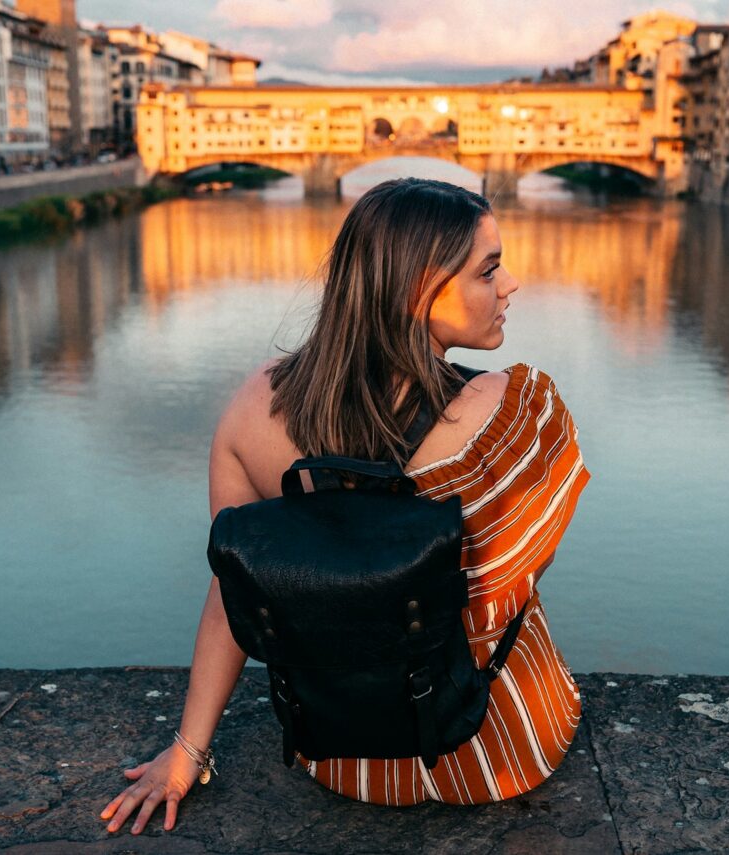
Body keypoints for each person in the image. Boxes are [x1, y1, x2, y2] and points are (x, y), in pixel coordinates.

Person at [101, 178, 590, 835]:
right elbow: (511, 578)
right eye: (489, 269)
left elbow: (236, 586)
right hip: (499, 753)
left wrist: (187, 750)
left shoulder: (253, 410)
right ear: (420, 288)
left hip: (340, 759)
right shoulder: (515, 414)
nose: (511, 286)